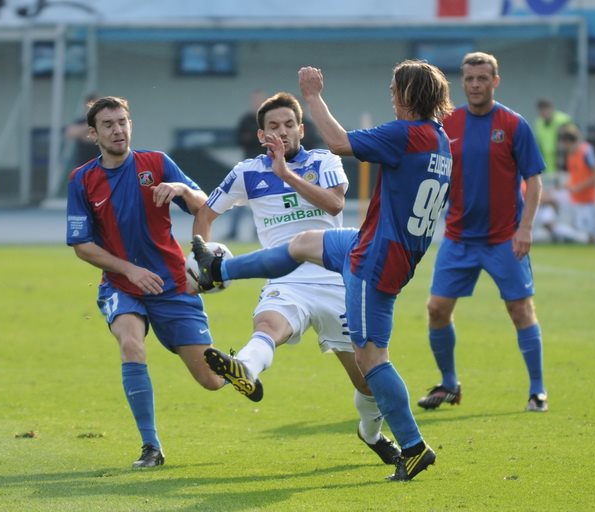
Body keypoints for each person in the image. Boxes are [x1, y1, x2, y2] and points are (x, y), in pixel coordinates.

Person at [193, 60, 454, 481]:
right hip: (374, 243)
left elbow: (337, 142)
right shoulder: (439, 140)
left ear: (409, 94)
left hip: (376, 260)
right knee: (302, 243)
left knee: (372, 362)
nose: (390, 94)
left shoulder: (407, 134)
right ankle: (220, 269)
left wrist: (313, 95)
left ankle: (412, 447)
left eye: (394, 88)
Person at [66, 96, 226, 469]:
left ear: (130, 125)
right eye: (108, 124)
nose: (117, 130)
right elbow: (82, 246)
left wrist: (181, 189)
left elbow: (205, 206)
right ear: (93, 134)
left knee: (211, 381)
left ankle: (243, 364)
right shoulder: (82, 180)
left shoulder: (156, 163)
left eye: (122, 121)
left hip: (172, 284)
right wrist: (129, 270)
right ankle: (151, 447)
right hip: (121, 286)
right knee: (131, 344)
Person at [417, 52, 548, 414]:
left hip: (504, 238)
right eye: (470, 79)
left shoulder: (514, 124)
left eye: (482, 78)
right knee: (436, 309)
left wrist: (525, 228)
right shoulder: (447, 123)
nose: (475, 85)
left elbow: (534, 181)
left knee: (520, 310)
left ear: (495, 81)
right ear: (462, 82)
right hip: (458, 238)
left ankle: (537, 390)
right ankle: (449, 384)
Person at [225, 90, 268, 240]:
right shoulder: (246, 120)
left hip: (265, 166)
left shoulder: (267, 119)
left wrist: (251, 138)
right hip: (248, 166)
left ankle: (258, 232)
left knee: (261, 200)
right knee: (239, 200)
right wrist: (253, 139)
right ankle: (232, 232)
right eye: (255, 100)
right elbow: (240, 139)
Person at [559, 124, 595, 244]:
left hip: (589, 200)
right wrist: (567, 185)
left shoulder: (587, 151)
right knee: (582, 236)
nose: (563, 147)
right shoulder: (571, 155)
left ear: (569, 142)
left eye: (564, 144)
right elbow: (576, 176)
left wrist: (578, 187)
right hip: (576, 200)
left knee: (593, 237)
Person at [534, 98, 572, 177]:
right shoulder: (539, 123)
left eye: (545, 110)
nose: (544, 113)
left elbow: (570, 143)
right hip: (548, 167)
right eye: (541, 111)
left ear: (551, 108)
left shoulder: (563, 120)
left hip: (563, 165)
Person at [65, 93, 101, 167]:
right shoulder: (80, 121)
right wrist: (90, 125)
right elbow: (69, 133)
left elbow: (93, 139)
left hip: (99, 164)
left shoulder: (102, 122)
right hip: (82, 164)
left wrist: (82, 134)